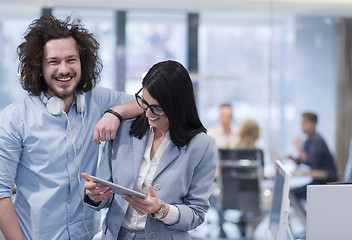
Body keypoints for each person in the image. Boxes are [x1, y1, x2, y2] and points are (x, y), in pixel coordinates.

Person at [0, 15, 142, 240]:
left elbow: (150, 102)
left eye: (71, 59)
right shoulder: (14, 119)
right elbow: (1, 194)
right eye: (53, 61)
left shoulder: (99, 100)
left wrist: (116, 112)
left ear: (82, 63)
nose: (64, 69)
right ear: (39, 67)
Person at [81, 60, 218, 240]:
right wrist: (95, 195)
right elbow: (106, 195)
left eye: (157, 109)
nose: (148, 114)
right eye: (144, 103)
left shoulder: (202, 146)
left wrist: (161, 209)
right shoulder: (123, 130)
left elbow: (196, 213)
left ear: (177, 106)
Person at [288, 112, 337, 200]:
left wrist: (299, 149)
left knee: (292, 195)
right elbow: (306, 160)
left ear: (314, 124)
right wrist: (297, 160)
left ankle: (303, 214)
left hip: (325, 183)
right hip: (317, 181)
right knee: (291, 193)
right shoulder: (309, 140)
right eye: (302, 123)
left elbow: (312, 161)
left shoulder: (317, 140)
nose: (302, 126)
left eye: (305, 123)